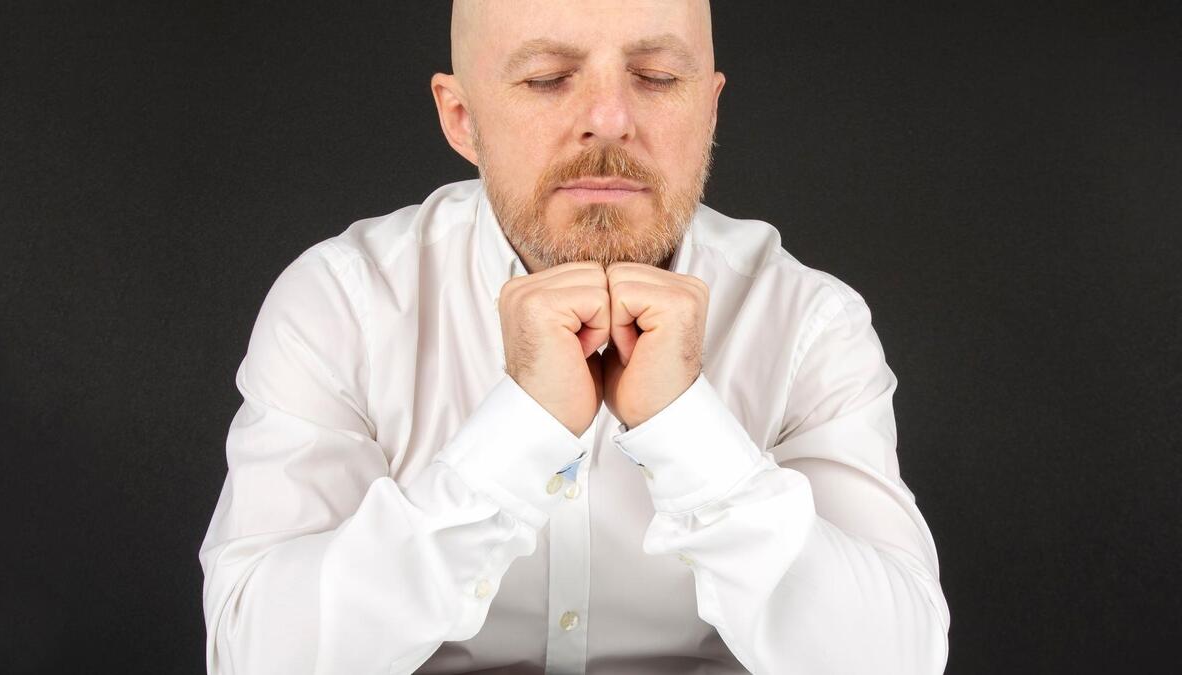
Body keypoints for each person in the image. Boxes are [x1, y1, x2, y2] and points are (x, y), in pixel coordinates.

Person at [198, 1, 951, 673]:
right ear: (462, 119)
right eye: (549, 78)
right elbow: (259, 656)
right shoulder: (344, 304)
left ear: (710, 109)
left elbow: (898, 659)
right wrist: (519, 430)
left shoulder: (808, 322)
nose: (610, 117)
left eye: (656, 76)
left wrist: (686, 426)